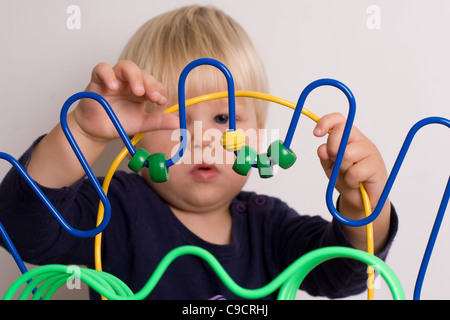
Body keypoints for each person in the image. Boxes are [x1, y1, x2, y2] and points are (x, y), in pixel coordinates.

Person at [0, 5, 397, 300]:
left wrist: (362, 203)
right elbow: (20, 228)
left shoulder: (270, 226)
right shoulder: (116, 207)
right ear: (133, 137)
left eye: (225, 116)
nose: (203, 138)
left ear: (259, 137)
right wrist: (85, 134)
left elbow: (345, 272)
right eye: (178, 118)